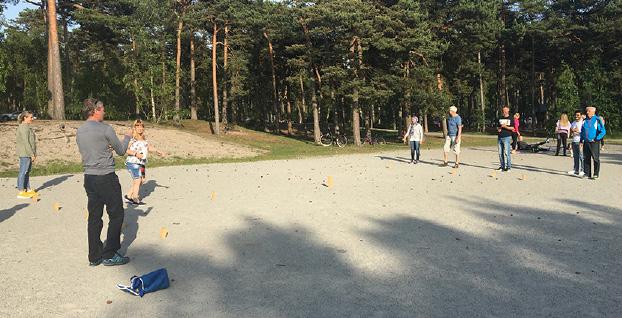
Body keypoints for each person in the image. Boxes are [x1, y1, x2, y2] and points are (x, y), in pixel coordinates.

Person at [76, 98, 133, 267]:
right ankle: (109, 253)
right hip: (106, 177)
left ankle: (94, 256)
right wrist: (127, 137)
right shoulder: (106, 129)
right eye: (103, 109)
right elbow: (122, 151)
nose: (105, 112)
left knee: (94, 217)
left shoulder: (79, 131)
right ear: (96, 110)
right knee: (116, 215)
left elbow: (90, 149)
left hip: (89, 178)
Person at [124, 119, 165, 204]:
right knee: (137, 180)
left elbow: (148, 147)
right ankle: (135, 198)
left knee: (142, 180)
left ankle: (128, 195)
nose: (140, 128)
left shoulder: (143, 139)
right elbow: (125, 149)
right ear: (134, 127)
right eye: (138, 126)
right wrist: (135, 154)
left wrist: (158, 151)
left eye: (142, 126)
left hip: (141, 163)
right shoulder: (132, 139)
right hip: (133, 162)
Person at [15, 111, 37, 199]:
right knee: (23, 171)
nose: (32, 119)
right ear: (25, 118)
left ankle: (27, 188)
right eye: (30, 117)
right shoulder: (23, 127)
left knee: (27, 171)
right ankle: (21, 191)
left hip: (28, 152)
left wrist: (34, 153)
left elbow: (31, 141)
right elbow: (26, 142)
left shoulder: (27, 127)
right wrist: (31, 154)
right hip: (25, 153)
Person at [580, 106, 606, 179]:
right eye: (586, 111)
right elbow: (582, 131)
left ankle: (596, 174)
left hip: (594, 142)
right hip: (586, 142)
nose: (587, 112)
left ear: (593, 112)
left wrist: (597, 138)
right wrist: (581, 140)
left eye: (588, 111)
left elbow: (603, 131)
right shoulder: (585, 120)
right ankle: (587, 173)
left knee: (595, 158)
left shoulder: (597, 120)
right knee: (586, 158)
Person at [497, 106, 514, 171]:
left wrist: (506, 127)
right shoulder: (500, 118)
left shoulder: (511, 118)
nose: (504, 111)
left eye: (505, 110)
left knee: (507, 153)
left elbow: (513, 128)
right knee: (500, 153)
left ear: (508, 110)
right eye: (503, 110)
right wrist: (499, 129)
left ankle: (508, 167)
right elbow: (498, 127)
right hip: (500, 137)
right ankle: (502, 166)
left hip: (507, 137)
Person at [568, 110, 584, 177]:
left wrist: (578, 132)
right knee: (575, 156)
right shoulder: (573, 123)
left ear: (581, 115)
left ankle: (582, 170)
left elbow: (584, 133)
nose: (576, 116)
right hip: (574, 141)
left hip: (580, 141)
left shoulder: (583, 123)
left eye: (578, 115)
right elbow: (571, 131)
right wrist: (572, 133)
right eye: (575, 115)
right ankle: (576, 170)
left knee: (581, 156)